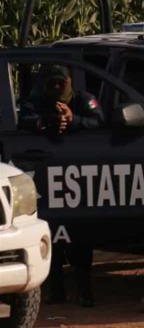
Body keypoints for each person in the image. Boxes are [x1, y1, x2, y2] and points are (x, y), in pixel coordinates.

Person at [18, 65, 102, 307]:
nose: (56, 88)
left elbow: (99, 121)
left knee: (81, 239)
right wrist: (44, 123)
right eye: (51, 84)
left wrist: (72, 119)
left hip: (78, 183)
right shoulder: (35, 102)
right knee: (51, 239)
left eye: (60, 84)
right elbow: (24, 119)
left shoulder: (82, 100)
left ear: (68, 83)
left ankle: (85, 293)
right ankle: (57, 293)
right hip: (47, 184)